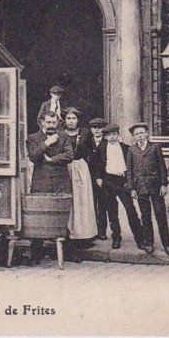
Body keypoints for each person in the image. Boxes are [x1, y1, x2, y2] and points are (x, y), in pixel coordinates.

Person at [25, 109, 79, 263]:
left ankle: (66, 252)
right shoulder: (33, 138)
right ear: (42, 122)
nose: (51, 125)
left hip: (60, 182)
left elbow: (69, 155)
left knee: (62, 215)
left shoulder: (63, 136)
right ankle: (36, 254)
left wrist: (51, 160)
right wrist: (46, 143)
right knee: (38, 215)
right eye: (48, 122)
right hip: (41, 181)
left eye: (53, 122)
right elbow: (33, 156)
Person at [125, 122, 169, 256]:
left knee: (160, 215)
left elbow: (162, 167)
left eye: (142, 133)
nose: (139, 136)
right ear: (133, 136)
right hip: (140, 187)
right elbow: (130, 171)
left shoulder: (155, 147)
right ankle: (149, 243)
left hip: (156, 186)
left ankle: (167, 244)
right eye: (136, 134)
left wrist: (163, 184)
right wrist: (131, 188)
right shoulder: (131, 150)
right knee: (145, 216)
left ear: (147, 134)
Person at [94, 124, 145, 250]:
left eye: (114, 134)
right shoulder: (101, 149)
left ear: (118, 135)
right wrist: (99, 177)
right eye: (109, 135)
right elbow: (97, 165)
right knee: (112, 211)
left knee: (130, 209)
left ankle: (140, 239)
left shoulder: (126, 148)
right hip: (109, 181)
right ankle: (116, 237)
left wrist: (130, 181)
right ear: (106, 137)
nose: (112, 137)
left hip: (122, 181)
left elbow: (131, 165)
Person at [61, 107, 97, 243]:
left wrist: (86, 165)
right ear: (65, 120)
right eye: (68, 118)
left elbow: (93, 151)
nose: (71, 121)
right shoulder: (60, 133)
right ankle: (67, 233)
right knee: (68, 200)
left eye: (73, 118)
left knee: (82, 200)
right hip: (64, 168)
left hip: (81, 168)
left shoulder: (85, 133)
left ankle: (84, 234)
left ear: (78, 120)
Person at [81, 117, 109, 240]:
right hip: (89, 176)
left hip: (104, 177)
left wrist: (101, 177)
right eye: (94, 128)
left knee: (102, 204)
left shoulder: (108, 142)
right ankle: (93, 230)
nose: (97, 130)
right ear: (91, 129)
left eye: (100, 127)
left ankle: (102, 230)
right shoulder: (86, 142)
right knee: (91, 204)